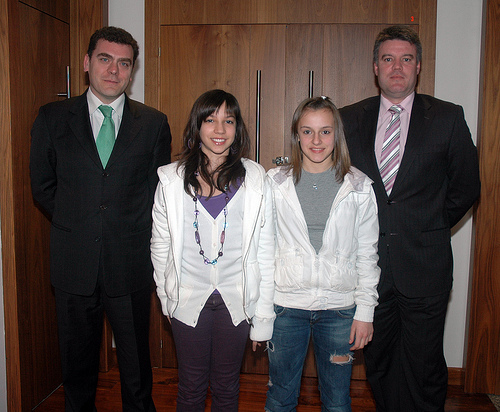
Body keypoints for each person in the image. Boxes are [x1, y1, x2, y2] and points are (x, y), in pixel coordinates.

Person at [30, 26, 172, 411]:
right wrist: (81, 222)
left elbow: (157, 194)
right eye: (105, 59)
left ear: (132, 70)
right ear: (86, 62)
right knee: (76, 366)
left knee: (136, 367)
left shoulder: (154, 123)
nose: (113, 70)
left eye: (124, 63)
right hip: (73, 262)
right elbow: (42, 185)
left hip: (129, 264)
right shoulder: (52, 118)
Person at [340, 25, 481, 411]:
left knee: (424, 365)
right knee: (380, 363)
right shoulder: (348, 119)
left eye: (406, 59)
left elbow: (467, 187)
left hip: (425, 264)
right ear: (375, 67)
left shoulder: (448, 117)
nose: (397, 67)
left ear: (418, 66)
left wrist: (427, 223)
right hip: (369, 271)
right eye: (388, 59)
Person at [150, 89, 275, 411]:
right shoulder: (170, 180)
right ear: (197, 126)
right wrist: (167, 297)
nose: (220, 130)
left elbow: (265, 251)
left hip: (237, 300)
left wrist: (263, 317)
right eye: (210, 120)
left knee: (227, 386)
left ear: (237, 128)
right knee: (191, 387)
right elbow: (160, 246)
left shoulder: (256, 179)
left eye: (228, 121)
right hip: (187, 299)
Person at [265, 96, 380, 412]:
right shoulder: (274, 184)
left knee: (337, 400)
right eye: (307, 131)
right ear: (296, 135)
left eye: (325, 132)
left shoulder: (359, 187)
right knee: (280, 398)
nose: (316, 141)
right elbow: (262, 249)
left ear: (336, 135)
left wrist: (365, 313)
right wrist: (261, 309)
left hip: (339, 312)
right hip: (286, 308)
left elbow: (368, 255)